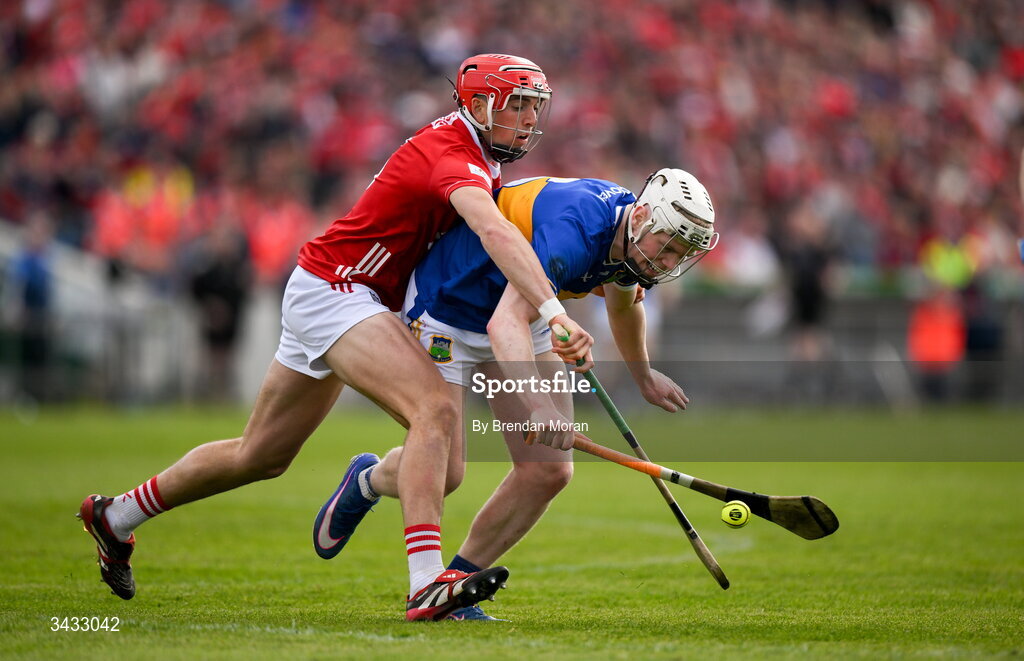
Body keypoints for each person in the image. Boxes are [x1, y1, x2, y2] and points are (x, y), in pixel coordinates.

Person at [77, 54, 595, 622]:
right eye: (515, 104)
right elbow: (493, 231)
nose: (526, 119)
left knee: (263, 456)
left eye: (533, 107)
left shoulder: (480, 157)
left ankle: (117, 516)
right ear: (476, 105)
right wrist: (552, 308)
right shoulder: (454, 156)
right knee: (433, 412)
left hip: (339, 294)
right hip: (338, 290)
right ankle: (426, 582)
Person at [313, 169, 718, 620]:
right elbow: (501, 324)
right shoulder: (578, 230)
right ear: (642, 216)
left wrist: (642, 377)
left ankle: (455, 590)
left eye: (679, 255)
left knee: (547, 472)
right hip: (450, 306)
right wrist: (540, 407)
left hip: (524, 311)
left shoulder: (631, 238)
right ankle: (368, 479)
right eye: (666, 247)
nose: (666, 262)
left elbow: (623, 306)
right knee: (446, 473)